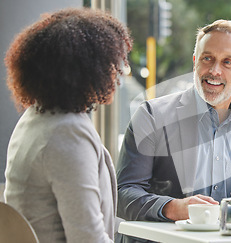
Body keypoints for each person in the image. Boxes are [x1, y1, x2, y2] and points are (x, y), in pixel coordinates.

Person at [116, 19, 231, 226]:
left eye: (227, 62)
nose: (215, 70)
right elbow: (122, 195)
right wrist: (172, 208)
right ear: (195, 61)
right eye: (207, 58)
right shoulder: (152, 116)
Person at [3, 8, 132, 243]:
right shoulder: (67, 132)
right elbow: (87, 237)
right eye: (113, 63)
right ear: (89, 69)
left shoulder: (35, 117)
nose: (119, 73)